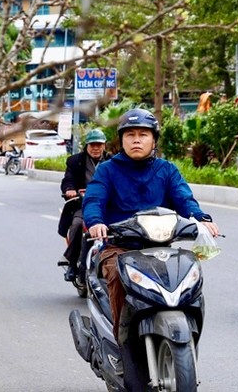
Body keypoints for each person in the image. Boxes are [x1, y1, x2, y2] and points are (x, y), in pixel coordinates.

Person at [83, 108, 219, 390]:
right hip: (120, 248)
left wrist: (201, 219)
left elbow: (185, 199)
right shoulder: (108, 170)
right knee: (119, 279)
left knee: (190, 279)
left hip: (160, 248)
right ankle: (122, 346)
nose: (136, 140)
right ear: (120, 140)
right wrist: (96, 222)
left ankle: (185, 346)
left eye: (143, 134)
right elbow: (94, 199)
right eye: (130, 135)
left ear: (153, 139)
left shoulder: (166, 170)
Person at [58, 128, 110, 282]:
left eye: (99, 145)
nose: (96, 148)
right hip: (83, 204)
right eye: (92, 144)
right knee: (77, 224)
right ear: (86, 145)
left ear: (104, 146)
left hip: (107, 206)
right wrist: (70, 190)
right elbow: (68, 179)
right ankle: (72, 264)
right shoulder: (75, 161)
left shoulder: (113, 162)